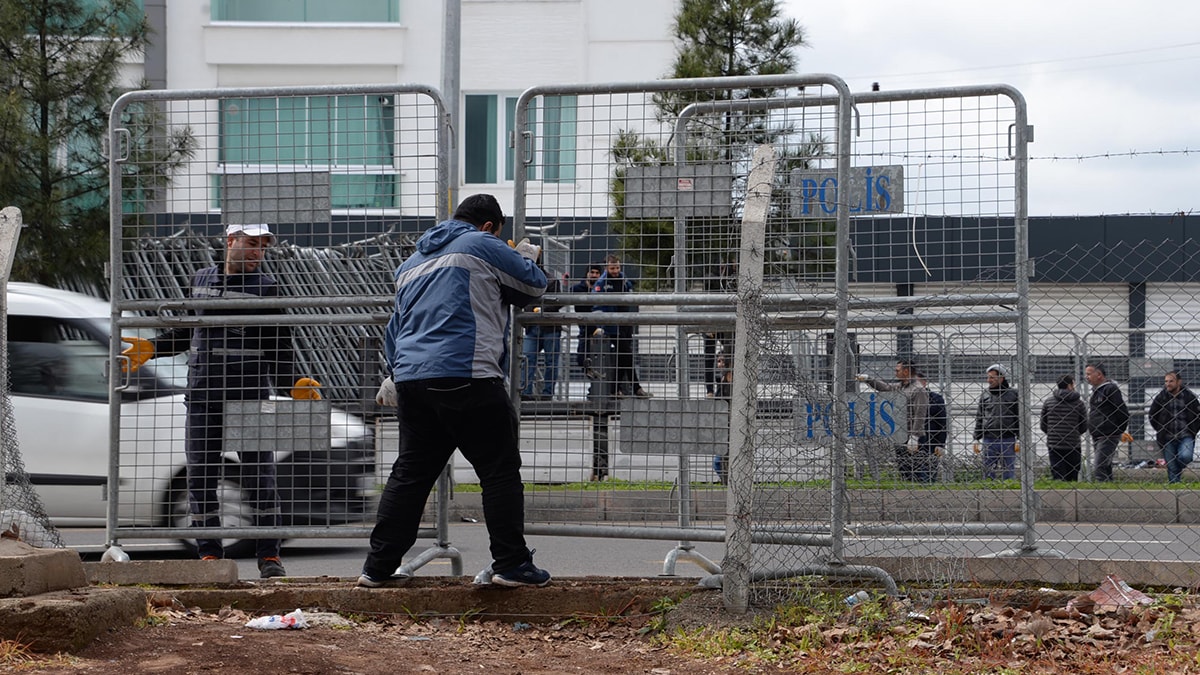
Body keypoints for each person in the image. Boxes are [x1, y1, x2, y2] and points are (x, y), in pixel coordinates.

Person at [360, 193, 551, 588]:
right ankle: (512, 564)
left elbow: (394, 329)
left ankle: (377, 568)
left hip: (411, 379)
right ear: (489, 226)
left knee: (410, 474)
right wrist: (528, 256)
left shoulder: (411, 264)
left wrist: (396, 373)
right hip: (467, 374)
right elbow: (533, 287)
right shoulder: (483, 244)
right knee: (498, 471)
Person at [120, 223, 322, 578]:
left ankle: (269, 557)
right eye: (251, 244)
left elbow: (279, 348)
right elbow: (186, 333)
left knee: (260, 479)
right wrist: (153, 348)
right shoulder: (201, 280)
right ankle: (209, 555)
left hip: (250, 398)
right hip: (202, 398)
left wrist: (293, 384)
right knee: (200, 478)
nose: (258, 252)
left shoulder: (269, 289)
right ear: (230, 242)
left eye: (263, 247)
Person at [856, 360, 929, 482]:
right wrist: (869, 379)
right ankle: (908, 492)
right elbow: (886, 388)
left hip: (912, 436)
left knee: (916, 469)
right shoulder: (901, 387)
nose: (895, 373)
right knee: (904, 468)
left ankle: (920, 492)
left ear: (906, 371)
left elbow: (920, 414)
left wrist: (915, 436)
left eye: (897, 370)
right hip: (901, 433)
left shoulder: (918, 389)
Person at [591, 254, 650, 398]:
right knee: (626, 356)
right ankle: (635, 388)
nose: (616, 270)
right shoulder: (602, 283)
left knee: (622, 358)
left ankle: (616, 389)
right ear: (607, 267)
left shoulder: (624, 280)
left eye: (617, 267)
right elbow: (597, 306)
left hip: (625, 324)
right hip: (612, 326)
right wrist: (602, 325)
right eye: (612, 268)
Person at [520, 254, 562, 401]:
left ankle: (545, 394)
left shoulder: (550, 280)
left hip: (548, 327)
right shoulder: (547, 280)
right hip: (536, 326)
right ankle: (527, 392)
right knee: (528, 360)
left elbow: (557, 302)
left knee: (547, 362)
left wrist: (539, 309)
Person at [1148, 370, 1200, 484]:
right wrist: (1160, 429)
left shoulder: (1189, 397)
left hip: (1185, 434)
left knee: (1185, 457)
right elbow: (1152, 415)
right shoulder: (1161, 397)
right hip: (1167, 436)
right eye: (1166, 381)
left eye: (1171, 381)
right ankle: (1174, 486)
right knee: (1171, 466)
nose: (1168, 384)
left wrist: (1193, 430)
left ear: (1179, 382)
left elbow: (1197, 415)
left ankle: (1178, 471)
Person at [972, 364, 1021, 480]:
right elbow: (980, 417)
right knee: (988, 469)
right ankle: (989, 490)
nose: (989, 380)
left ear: (1001, 378)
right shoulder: (985, 395)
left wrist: (1019, 437)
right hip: (989, 438)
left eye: (992, 377)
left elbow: (1018, 417)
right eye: (988, 377)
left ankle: (1010, 491)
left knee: (1008, 470)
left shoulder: (1013, 394)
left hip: (1008, 438)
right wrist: (976, 437)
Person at [1085, 362, 1130, 483]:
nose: (1087, 377)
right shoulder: (1096, 391)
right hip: (1098, 433)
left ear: (1099, 374)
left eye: (1089, 374)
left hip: (1108, 434)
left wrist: (1117, 429)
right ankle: (1109, 487)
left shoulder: (1110, 389)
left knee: (1099, 466)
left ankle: (1102, 489)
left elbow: (1122, 411)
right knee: (1105, 465)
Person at [1040, 374, 1088, 481]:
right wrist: (1074, 433)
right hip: (1073, 443)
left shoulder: (1049, 402)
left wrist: (1053, 432)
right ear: (1070, 385)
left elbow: (1043, 424)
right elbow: (1084, 425)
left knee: (1058, 474)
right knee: (1073, 474)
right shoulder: (1079, 403)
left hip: (1054, 443)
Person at [570, 263, 602, 379]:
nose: (594, 275)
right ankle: (592, 379)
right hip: (584, 328)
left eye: (597, 273)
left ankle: (595, 389)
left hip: (600, 328)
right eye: (592, 272)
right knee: (582, 358)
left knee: (602, 360)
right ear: (587, 274)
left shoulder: (603, 288)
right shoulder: (577, 289)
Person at [916, 373, 947, 483]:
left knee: (928, 474)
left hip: (931, 441)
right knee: (912, 474)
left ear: (924, 383)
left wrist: (941, 444)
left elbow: (942, 423)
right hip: (913, 442)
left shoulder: (936, 399)